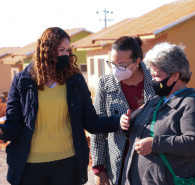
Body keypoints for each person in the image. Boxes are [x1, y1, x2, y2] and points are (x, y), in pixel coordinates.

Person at [0, 27, 120, 185]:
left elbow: (91, 121)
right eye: (60, 50)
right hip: (30, 166)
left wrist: (119, 121)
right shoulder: (22, 81)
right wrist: (2, 131)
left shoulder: (75, 80)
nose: (65, 54)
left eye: (68, 50)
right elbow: (14, 125)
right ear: (46, 51)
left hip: (67, 164)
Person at [120, 42, 195, 185]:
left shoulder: (191, 103)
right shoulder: (155, 101)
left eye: (157, 76)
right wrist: (127, 125)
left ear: (175, 76)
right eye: (151, 75)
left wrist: (155, 144)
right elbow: (142, 134)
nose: (153, 81)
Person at [90, 36, 155, 185]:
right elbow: (98, 128)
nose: (116, 69)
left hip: (152, 161)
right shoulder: (105, 84)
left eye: (122, 65)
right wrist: (99, 169)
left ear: (137, 62)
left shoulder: (155, 78)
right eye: (113, 64)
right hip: (119, 164)